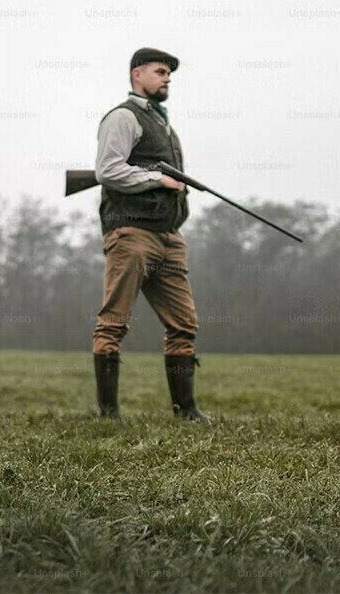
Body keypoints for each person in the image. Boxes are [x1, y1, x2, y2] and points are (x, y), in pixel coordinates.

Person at [92, 47, 209, 422]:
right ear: (136, 75)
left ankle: (186, 410)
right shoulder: (123, 117)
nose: (167, 78)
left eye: (169, 74)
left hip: (169, 237)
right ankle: (109, 414)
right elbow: (108, 170)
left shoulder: (165, 125)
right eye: (160, 71)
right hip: (131, 233)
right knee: (114, 322)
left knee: (184, 324)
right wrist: (157, 178)